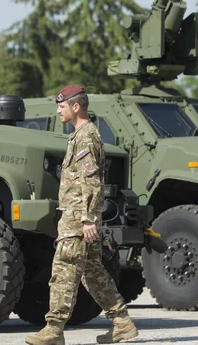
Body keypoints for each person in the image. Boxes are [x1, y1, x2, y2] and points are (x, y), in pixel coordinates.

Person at [25, 85, 138, 345]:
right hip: (80, 217)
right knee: (92, 272)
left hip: (78, 219)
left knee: (64, 269)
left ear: (76, 107)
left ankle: (53, 329)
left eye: (62, 107)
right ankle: (122, 321)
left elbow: (92, 182)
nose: (58, 111)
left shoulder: (86, 137)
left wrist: (88, 219)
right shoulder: (81, 135)